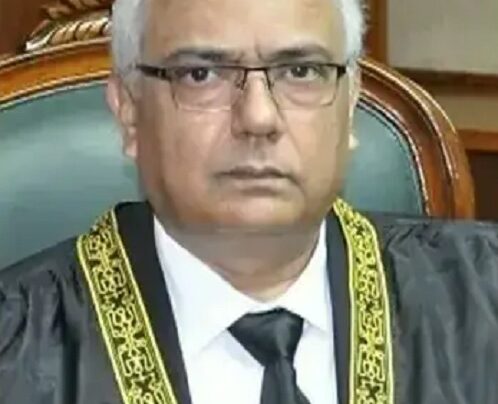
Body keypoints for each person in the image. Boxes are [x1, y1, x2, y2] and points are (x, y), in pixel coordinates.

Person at [1, 0, 497, 403]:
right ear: (130, 112)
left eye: (300, 70)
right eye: (202, 74)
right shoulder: (15, 350)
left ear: (350, 106)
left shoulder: (483, 299)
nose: (259, 117)